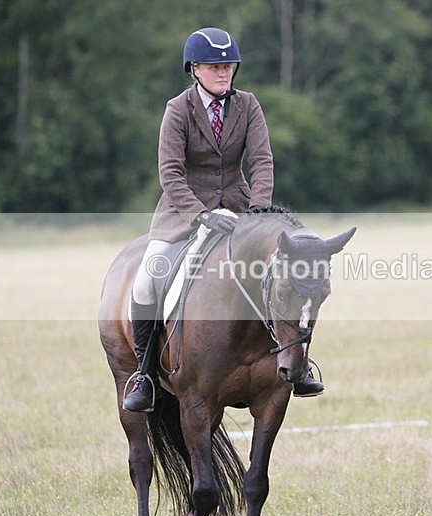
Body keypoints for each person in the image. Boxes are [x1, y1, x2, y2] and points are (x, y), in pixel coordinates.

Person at [123, 27, 324, 412]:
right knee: (147, 281)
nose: (223, 73)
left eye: (228, 66)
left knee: (284, 277)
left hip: (240, 212)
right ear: (194, 69)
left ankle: (298, 364)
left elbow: (262, 162)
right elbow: (170, 173)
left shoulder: (248, 105)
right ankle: (144, 376)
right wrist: (201, 214)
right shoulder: (177, 109)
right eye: (214, 66)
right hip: (183, 215)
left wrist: (259, 213)